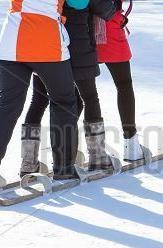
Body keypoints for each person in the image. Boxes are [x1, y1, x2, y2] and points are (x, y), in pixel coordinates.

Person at [0, 0, 85, 189]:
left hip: (10, 41)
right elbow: (79, 3)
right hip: (46, 40)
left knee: (7, 105)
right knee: (64, 102)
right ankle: (63, 168)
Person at [20, 0, 117, 175]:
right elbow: (108, 11)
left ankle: (29, 163)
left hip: (45, 46)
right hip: (78, 49)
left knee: (40, 100)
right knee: (89, 98)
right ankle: (97, 157)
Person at [95, 0, 144, 161]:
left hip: (82, 30)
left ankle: (73, 150)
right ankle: (131, 145)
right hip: (110, 28)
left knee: (80, 90)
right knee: (124, 85)